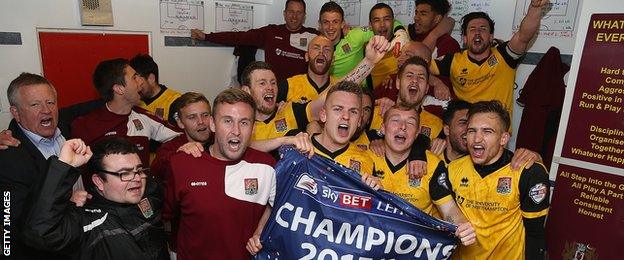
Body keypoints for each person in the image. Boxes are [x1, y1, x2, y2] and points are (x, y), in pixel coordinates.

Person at [164, 88, 276, 260]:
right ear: (213, 124)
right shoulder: (182, 164)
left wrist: (261, 230)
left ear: (253, 127)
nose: (236, 131)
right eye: (227, 121)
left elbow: (277, 206)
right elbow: (166, 217)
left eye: (244, 122)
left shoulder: (267, 166)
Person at [430, 100, 550, 259]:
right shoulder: (450, 170)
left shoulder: (529, 173)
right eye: (472, 131)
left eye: (487, 131)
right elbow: (447, 214)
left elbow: (535, 234)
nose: (477, 139)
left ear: (503, 138)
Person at [23, 137, 169, 259]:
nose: (137, 178)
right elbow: (40, 232)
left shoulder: (150, 192)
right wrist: (64, 166)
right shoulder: (87, 222)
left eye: (139, 170)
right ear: (99, 181)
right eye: (125, 173)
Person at [247, 35, 390, 155]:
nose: (270, 88)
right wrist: (282, 140)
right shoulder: (239, 120)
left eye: (273, 83)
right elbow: (238, 148)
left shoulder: (291, 111)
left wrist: (369, 62)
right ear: (247, 91)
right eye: (262, 83)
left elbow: (334, 93)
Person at [369, 103, 475, 246]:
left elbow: (449, 209)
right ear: (383, 128)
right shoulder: (366, 159)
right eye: (395, 120)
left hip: (412, 249)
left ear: (418, 133)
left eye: (410, 123)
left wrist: (462, 226)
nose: (403, 127)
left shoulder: (432, 165)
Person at [430, 0, 550, 118]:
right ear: (465, 38)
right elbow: (418, 67)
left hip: (496, 130)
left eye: (483, 29)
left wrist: (535, 8)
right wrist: (437, 82)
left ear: (491, 37)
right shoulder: (453, 60)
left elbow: (524, 36)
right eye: (472, 29)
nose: (477, 33)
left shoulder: (505, 55)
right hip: (466, 129)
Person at [0, 73, 67, 259]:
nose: (46, 110)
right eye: (35, 104)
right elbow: (13, 227)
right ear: (15, 113)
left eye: (51, 102)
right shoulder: (8, 157)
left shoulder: (67, 129)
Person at [71, 58, 180, 171]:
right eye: (134, 77)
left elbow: (180, 138)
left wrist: (158, 166)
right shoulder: (85, 126)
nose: (141, 81)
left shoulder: (145, 117)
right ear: (119, 89)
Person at [191, 0, 318, 82]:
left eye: (299, 12)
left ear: (304, 15)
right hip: (274, 92)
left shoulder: (313, 36)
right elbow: (238, 37)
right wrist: (207, 37)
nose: (294, 16)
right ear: (284, 13)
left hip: (301, 93)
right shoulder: (271, 32)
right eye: (291, 12)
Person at [150, 92, 212, 181]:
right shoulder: (169, 149)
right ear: (180, 122)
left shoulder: (222, 142)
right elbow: (155, 173)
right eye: (192, 117)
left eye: (205, 115)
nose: (201, 121)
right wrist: (179, 154)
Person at [276, 35, 335, 103]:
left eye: (326, 49)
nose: (321, 52)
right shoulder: (288, 86)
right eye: (316, 48)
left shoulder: (339, 87)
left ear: (333, 60)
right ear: (307, 57)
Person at [129, 54, 182, 121]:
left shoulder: (175, 101)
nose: (135, 86)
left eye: (136, 80)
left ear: (151, 78)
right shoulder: (132, 100)